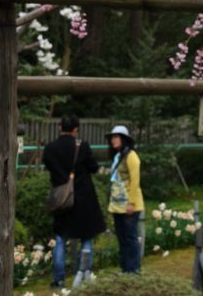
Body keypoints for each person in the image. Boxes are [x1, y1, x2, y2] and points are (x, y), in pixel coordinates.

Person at [43, 114, 106, 289]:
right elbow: (93, 167)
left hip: (62, 200)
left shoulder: (50, 148)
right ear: (75, 129)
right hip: (84, 200)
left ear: (59, 127)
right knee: (87, 238)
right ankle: (83, 277)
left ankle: (59, 280)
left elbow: (48, 165)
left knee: (61, 239)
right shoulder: (82, 146)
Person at [108, 125, 144, 273]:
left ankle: (133, 271)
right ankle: (125, 270)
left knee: (130, 239)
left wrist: (132, 203)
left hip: (129, 205)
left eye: (116, 137)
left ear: (124, 139)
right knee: (122, 240)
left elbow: (135, 180)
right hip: (117, 205)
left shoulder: (131, 156)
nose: (113, 140)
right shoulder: (118, 156)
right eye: (112, 137)